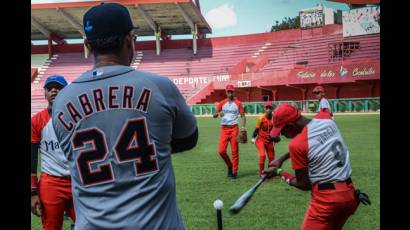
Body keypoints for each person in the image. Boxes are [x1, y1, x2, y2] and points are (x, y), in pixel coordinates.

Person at [51, 3, 198, 229]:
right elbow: (189, 138)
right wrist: (155, 145)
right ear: (129, 39)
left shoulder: (61, 100)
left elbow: (71, 153)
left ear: (87, 45)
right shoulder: (159, 86)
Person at [265, 104, 370, 230]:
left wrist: (279, 172)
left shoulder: (297, 145)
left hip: (326, 201)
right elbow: (315, 142)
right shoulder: (326, 118)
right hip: (350, 195)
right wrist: (282, 158)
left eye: (282, 131)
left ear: (291, 126)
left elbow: (304, 184)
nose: (282, 135)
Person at [31, 75, 76, 230]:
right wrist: (32, 192)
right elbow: (32, 158)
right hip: (51, 182)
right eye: (50, 88)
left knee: (87, 224)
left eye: (58, 88)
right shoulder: (37, 120)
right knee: (51, 226)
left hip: (77, 180)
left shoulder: (77, 117)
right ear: (45, 93)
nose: (54, 91)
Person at [213, 84, 246, 179]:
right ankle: (230, 165)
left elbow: (243, 115)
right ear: (226, 92)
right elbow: (214, 115)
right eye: (228, 91)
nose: (230, 93)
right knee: (221, 151)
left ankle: (234, 172)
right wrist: (218, 113)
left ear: (233, 92)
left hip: (234, 128)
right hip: (224, 129)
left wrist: (243, 127)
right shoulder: (222, 103)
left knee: (235, 151)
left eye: (231, 91)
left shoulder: (238, 103)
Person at [250, 101, 280, 177]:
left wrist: (276, 136)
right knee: (262, 155)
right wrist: (253, 138)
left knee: (272, 158)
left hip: (269, 141)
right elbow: (256, 130)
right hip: (260, 140)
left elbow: (277, 130)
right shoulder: (260, 118)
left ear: (272, 109)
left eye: (270, 108)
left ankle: (270, 173)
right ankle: (262, 173)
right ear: (264, 109)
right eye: (267, 108)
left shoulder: (275, 119)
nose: (268, 110)